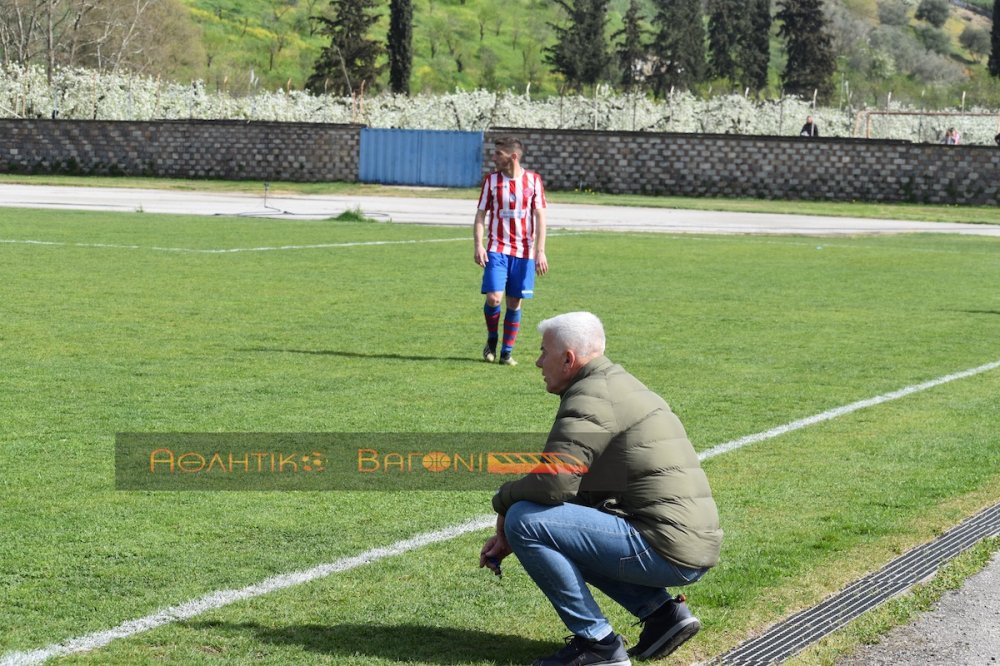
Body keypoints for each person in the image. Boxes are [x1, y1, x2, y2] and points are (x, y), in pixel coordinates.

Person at [479, 312, 722, 666]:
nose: (537, 362)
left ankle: (598, 644)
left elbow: (553, 482)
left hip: (668, 546)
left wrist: (503, 505)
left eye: (543, 352)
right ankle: (663, 616)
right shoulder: (615, 384)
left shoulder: (591, 396)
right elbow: (581, 493)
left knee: (524, 520)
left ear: (568, 359)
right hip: (686, 541)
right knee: (542, 524)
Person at [474, 137, 548, 366]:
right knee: (495, 298)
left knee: (514, 303)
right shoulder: (491, 181)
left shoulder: (534, 181)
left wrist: (541, 251)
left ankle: (506, 352)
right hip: (497, 249)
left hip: (524, 253)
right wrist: (478, 245)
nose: (493, 157)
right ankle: (492, 339)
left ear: (513, 156)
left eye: (498, 154)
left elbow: (540, 217)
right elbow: (480, 216)